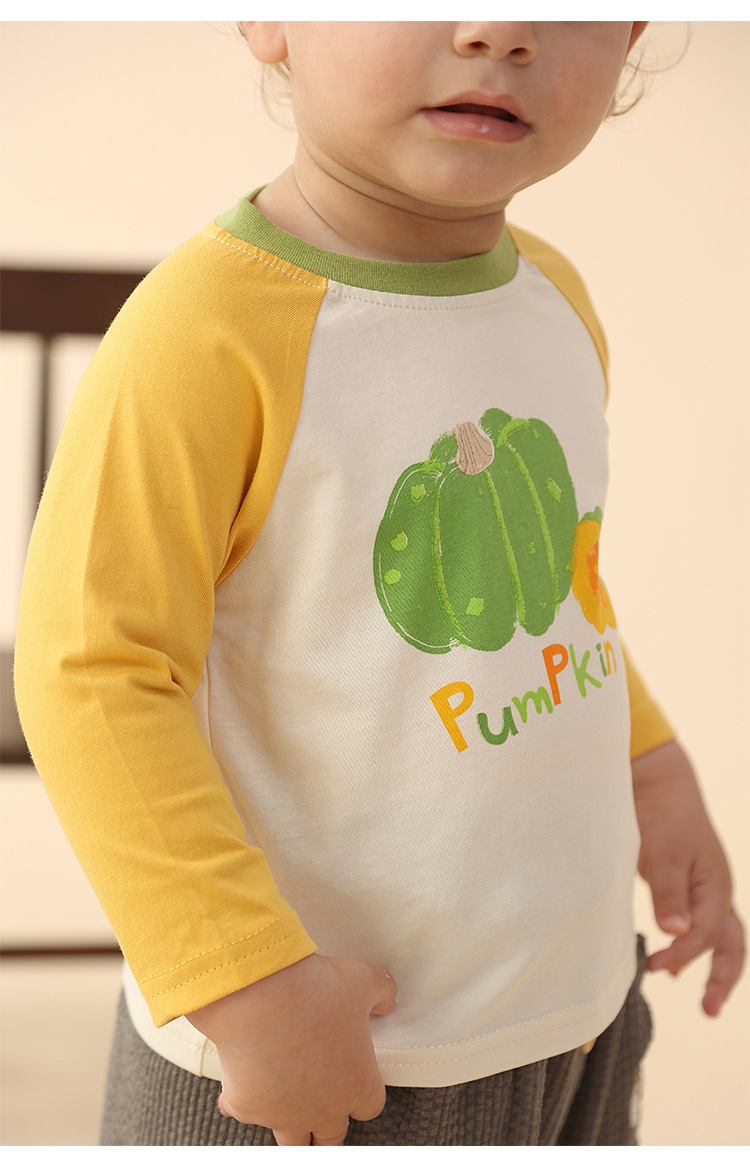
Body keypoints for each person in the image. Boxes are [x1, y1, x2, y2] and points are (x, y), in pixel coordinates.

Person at [14, 21, 744, 1147]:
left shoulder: (555, 299)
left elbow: (557, 586)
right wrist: (246, 983)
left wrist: (651, 763)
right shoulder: (202, 332)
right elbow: (94, 672)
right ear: (271, 19)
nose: (500, 29)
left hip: (574, 1013)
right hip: (319, 1046)